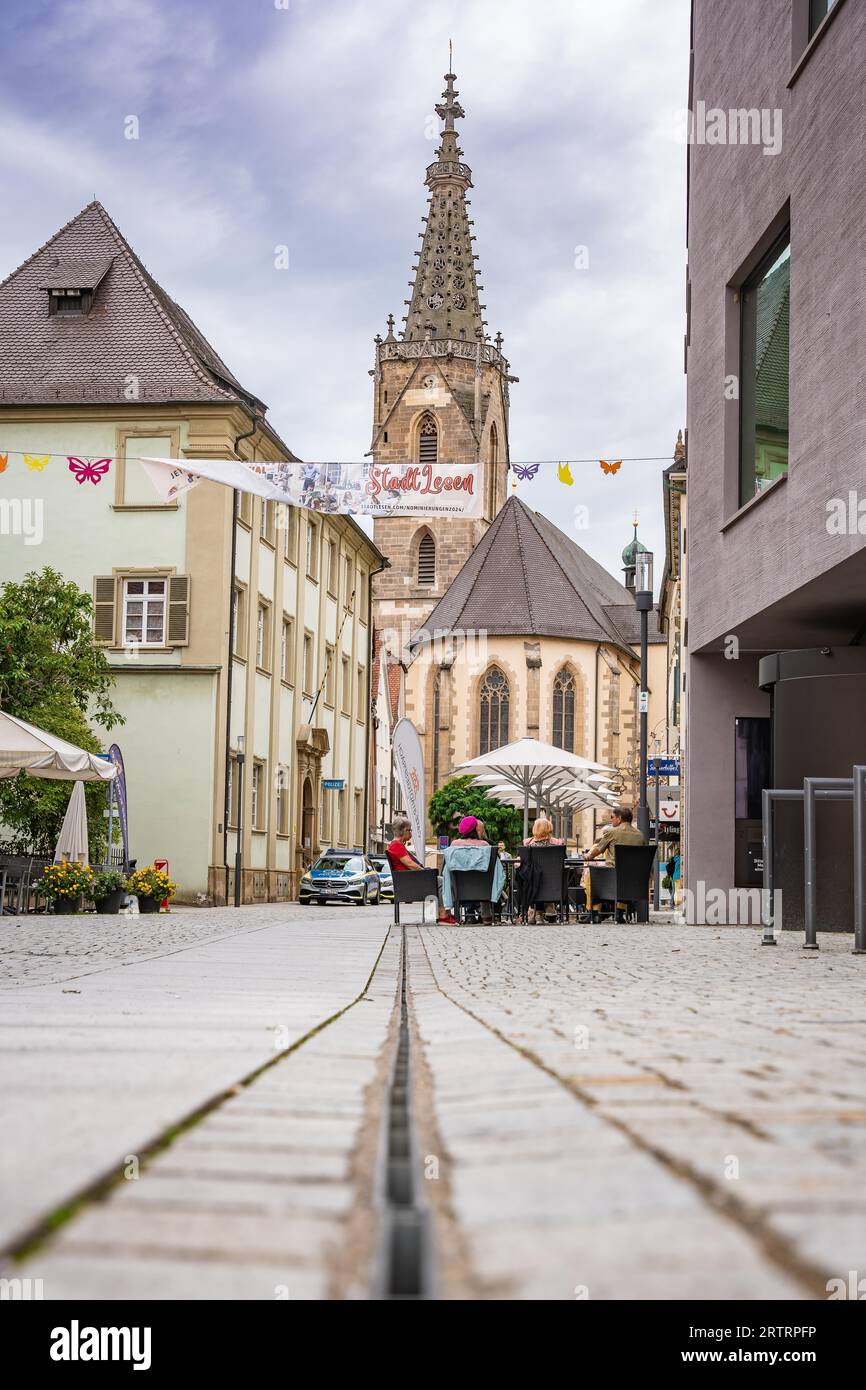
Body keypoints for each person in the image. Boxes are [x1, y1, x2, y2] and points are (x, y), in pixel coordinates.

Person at [387, 816, 455, 922]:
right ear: (403, 831)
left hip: (407, 880)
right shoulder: (397, 846)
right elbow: (410, 864)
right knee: (441, 881)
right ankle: (443, 915)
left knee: (439, 880)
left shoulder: (395, 845)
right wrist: (425, 872)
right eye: (410, 830)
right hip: (410, 882)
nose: (411, 833)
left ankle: (443, 913)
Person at [584, 805, 645, 919]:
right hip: (634, 879)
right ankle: (619, 913)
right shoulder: (640, 835)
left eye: (612, 817)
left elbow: (597, 850)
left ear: (619, 818)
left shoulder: (612, 832)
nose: (611, 819)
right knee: (622, 874)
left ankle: (594, 913)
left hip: (613, 876)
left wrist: (588, 856)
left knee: (591, 876)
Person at [441, 816, 504, 924]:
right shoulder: (485, 845)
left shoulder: (454, 845)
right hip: (483, 889)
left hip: (461, 890)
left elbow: (447, 871)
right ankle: (487, 915)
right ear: (476, 829)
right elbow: (498, 872)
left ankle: (469, 915)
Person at [517, 816, 564, 923]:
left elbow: (521, 863)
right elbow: (564, 862)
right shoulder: (557, 845)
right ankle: (547, 908)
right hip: (554, 884)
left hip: (533, 884)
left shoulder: (528, 845)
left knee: (530, 877)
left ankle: (536, 912)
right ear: (550, 828)